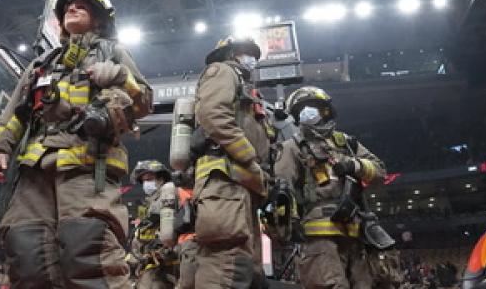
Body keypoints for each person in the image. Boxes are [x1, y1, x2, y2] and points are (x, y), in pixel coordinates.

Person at [0, 0, 152, 288]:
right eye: (67, 7)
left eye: (82, 5)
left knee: (88, 253)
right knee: (28, 255)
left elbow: (144, 99)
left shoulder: (111, 52)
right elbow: (15, 114)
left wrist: (118, 76)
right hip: (33, 170)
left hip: (87, 164)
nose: (72, 8)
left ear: (99, 19)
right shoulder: (40, 65)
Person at [184, 36, 276, 289]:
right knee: (225, 263)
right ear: (231, 53)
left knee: (246, 269)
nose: (252, 59)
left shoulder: (248, 92)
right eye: (246, 52)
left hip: (240, 187)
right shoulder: (222, 71)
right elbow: (213, 115)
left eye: (254, 54)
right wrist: (249, 157)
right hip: (224, 181)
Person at [274, 86, 387, 289]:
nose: (308, 112)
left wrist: (354, 165)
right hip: (319, 238)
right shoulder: (292, 147)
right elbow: (282, 188)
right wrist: (288, 227)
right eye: (302, 109)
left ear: (326, 110)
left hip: (356, 234)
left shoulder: (347, 143)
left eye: (314, 106)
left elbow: (380, 172)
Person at [129, 160, 177, 289]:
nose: (146, 184)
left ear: (161, 179)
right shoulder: (150, 203)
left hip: (169, 262)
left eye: (149, 179)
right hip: (153, 261)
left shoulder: (169, 196)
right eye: (144, 181)